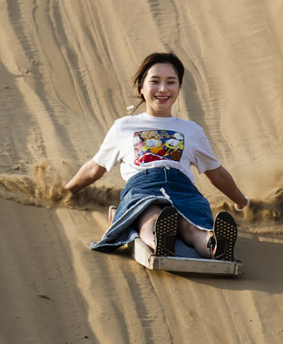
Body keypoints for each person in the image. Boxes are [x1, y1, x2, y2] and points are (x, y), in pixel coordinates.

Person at [64, 52, 249, 260]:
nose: (163, 89)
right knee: (150, 218)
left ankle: (215, 247)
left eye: (171, 82)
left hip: (184, 190)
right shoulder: (124, 126)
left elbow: (216, 173)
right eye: (155, 81)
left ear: (178, 88)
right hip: (143, 186)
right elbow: (95, 167)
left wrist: (242, 202)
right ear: (142, 88)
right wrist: (66, 190)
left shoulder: (192, 130)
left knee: (192, 226)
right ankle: (161, 242)